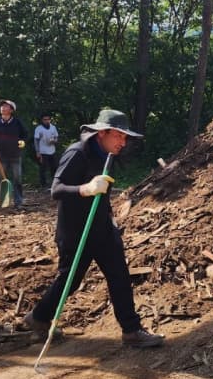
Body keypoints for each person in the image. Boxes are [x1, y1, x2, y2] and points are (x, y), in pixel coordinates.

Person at [20, 108, 164, 348]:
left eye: (125, 137)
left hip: (102, 229)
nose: (123, 141)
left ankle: (131, 330)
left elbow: (103, 193)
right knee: (70, 279)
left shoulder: (108, 155)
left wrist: (110, 217)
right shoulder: (77, 153)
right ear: (102, 133)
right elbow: (56, 190)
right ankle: (38, 317)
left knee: (119, 275)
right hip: (76, 231)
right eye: (119, 135)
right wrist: (85, 189)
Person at [0, 99, 27, 208]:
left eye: (6, 106)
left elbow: (25, 134)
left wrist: (23, 141)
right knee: (0, 179)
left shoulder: (17, 122)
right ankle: (3, 201)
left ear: (11, 110)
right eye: (2, 106)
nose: (3, 107)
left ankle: (18, 202)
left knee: (17, 179)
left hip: (15, 155)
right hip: (1, 156)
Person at [34, 112, 59, 189]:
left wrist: (54, 141)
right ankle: (43, 185)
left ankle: (55, 184)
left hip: (52, 150)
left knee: (54, 168)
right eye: (45, 119)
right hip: (43, 152)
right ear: (42, 120)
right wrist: (37, 151)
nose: (47, 121)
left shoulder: (53, 127)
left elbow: (56, 138)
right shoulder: (39, 128)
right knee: (43, 169)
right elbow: (36, 140)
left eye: (48, 119)